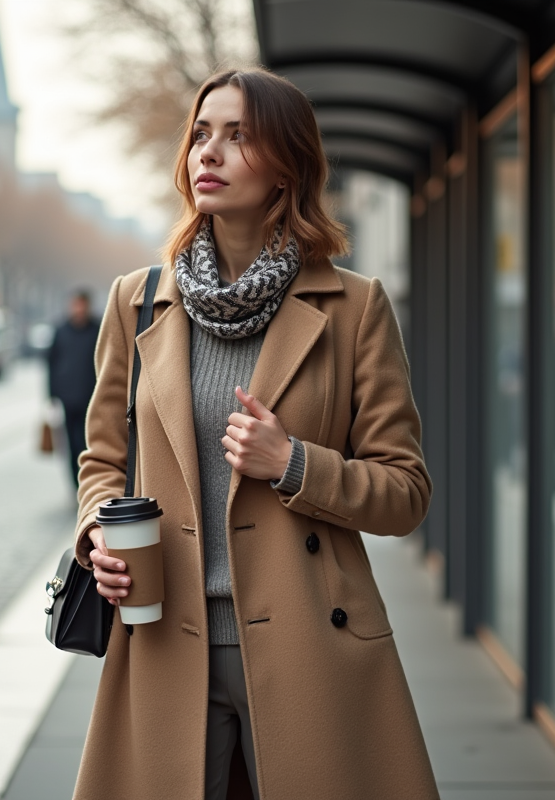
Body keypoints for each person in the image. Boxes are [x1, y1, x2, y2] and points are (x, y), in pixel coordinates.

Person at [72, 69, 438, 800]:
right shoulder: (137, 302)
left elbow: (406, 493)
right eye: (201, 134)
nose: (209, 152)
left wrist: (295, 462)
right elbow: (103, 460)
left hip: (311, 645)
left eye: (238, 136)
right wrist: (97, 536)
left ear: (287, 168)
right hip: (163, 634)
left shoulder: (354, 307)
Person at [46, 289, 100, 487]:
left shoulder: (98, 329)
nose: (78, 309)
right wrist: (51, 395)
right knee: (71, 445)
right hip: (68, 399)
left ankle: (90, 484)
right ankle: (76, 485)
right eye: (75, 304)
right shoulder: (61, 331)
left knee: (90, 444)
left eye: (81, 304)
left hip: (93, 399)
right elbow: (51, 364)